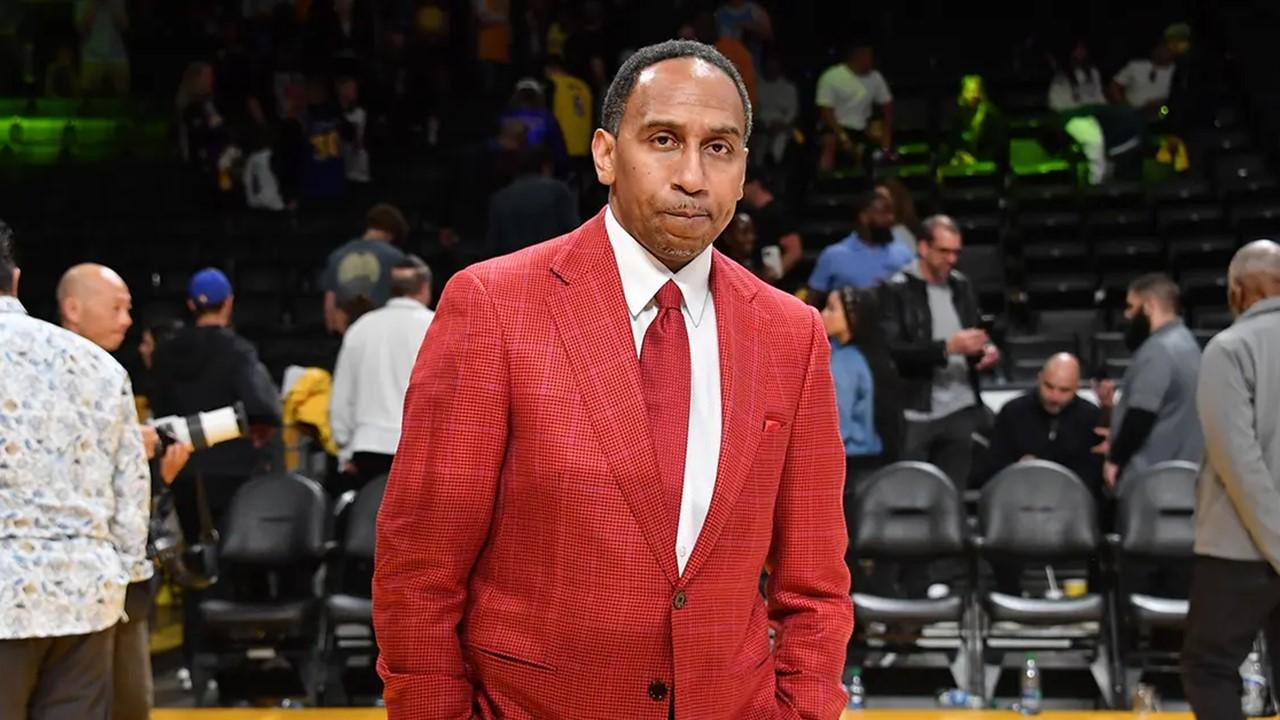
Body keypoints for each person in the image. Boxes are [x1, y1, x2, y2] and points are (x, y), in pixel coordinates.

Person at [374, 39, 852, 720]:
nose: (692, 175)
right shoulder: (492, 305)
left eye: (719, 148)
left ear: (744, 170)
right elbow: (419, 573)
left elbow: (815, 585)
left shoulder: (791, 333)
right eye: (664, 139)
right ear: (604, 154)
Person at [0, 226, 150, 719]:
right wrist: (120, 578)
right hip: (88, 601)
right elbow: (132, 492)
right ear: (16, 281)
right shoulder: (99, 365)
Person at [56, 263, 191, 720]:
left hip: (120, 570)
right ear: (73, 308)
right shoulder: (48, 370)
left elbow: (127, 489)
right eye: (116, 307)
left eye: (128, 308)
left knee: (129, 701)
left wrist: (155, 470)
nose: (127, 320)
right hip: (71, 571)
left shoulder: (110, 372)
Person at [1182, 240, 1280, 720]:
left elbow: (1238, 463)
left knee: (1210, 668)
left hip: (1240, 548)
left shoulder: (1229, 348)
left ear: (1237, 289)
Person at [880, 216, 1000, 490]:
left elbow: (974, 330)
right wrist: (947, 348)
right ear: (923, 247)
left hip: (960, 406)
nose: (952, 259)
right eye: (944, 251)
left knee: (953, 493)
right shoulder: (896, 289)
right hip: (916, 410)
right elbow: (894, 351)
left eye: (956, 252)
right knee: (910, 491)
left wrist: (986, 350)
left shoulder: (961, 285)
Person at [330, 256, 435, 492]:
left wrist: (345, 451)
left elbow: (342, 397)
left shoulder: (361, 327)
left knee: (368, 525)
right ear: (425, 288)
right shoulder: (435, 325)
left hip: (368, 448)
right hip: (418, 448)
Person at [1094, 274, 1203, 488]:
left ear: (1148, 306)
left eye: (1130, 306)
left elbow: (1141, 414)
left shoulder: (1158, 349)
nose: (1126, 315)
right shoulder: (1188, 343)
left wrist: (1116, 460)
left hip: (1151, 479)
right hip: (1184, 475)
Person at [973, 353, 1104, 497]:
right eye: (1049, 386)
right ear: (1039, 378)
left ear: (1076, 387)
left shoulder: (1090, 416)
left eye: (1064, 390)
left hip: (1072, 502)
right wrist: (1018, 468)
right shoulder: (1013, 411)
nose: (1055, 397)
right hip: (1019, 497)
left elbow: (1093, 475)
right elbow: (991, 467)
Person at [322, 202, 409, 334]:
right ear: (392, 233)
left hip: (346, 333)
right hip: (382, 334)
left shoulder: (337, 256)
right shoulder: (396, 257)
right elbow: (404, 301)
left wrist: (334, 333)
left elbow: (330, 306)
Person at [807, 185, 911, 293]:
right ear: (864, 217)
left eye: (891, 213)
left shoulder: (903, 253)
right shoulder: (833, 255)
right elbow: (813, 297)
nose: (891, 218)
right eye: (884, 213)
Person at [816, 40, 894, 172]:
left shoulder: (876, 77)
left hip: (862, 127)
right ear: (857, 57)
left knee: (876, 139)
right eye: (868, 56)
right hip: (836, 127)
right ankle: (825, 180)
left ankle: (873, 178)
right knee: (829, 141)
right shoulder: (831, 76)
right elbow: (825, 111)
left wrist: (886, 138)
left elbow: (887, 107)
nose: (871, 60)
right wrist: (843, 137)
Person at [485, 147, 579, 256]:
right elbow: (574, 231)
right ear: (546, 166)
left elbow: (492, 243)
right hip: (548, 261)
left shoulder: (500, 197)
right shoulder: (557, 190)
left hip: (513, 265)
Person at [740, 168, 802, 288]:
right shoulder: (751, 214)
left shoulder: (778, 211)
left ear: (755, 184)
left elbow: (794, 250)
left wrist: (772, 277)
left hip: (781, 286)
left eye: (744, 185)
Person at [943, 74, 1009, 170]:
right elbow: (952, 142)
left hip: (987, 167)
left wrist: (976, 160)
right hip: (962, 164)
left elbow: (998, 148)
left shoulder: (992, 115)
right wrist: (957, 156)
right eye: (969, 91)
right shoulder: (958, 115)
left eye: (976, 91)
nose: (973, 95)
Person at [1108, 38, 1176, 123]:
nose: (1162, 52)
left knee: (1165, 112)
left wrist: (1164, 102)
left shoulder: (1178, 71)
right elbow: (1114, 85)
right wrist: (1124, 106)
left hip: (1163, 111)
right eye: (1160, 48)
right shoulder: (1136, 66)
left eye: (1167, 50)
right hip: (1134, 111)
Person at [76, 0, 129, 96]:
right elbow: (81, 29)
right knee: (88, 101)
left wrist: (112, 5)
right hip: (91, 57)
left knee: (123, 101)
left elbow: (124, 27)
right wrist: (94, 4)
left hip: (117, 56)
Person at [1047, 38, 1106, 112]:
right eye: (1077, 48)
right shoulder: (1061, 76)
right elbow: (1055, 103)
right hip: (1072, 115)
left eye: (1083, 48)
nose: (1081, 51)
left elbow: (1100, 96)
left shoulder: (1093, 72)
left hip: (1093, 114)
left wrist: (1104, 111)